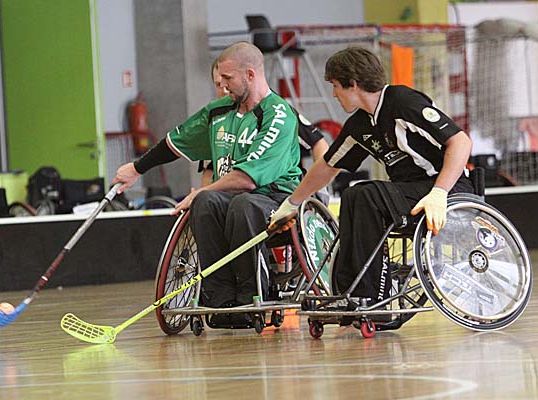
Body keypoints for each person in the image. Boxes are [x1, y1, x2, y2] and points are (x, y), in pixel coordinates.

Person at [270, 46, 473, 304]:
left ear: (353, 84)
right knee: (353, 195)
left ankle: (373, 296)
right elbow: (327, 166)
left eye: (335, 86)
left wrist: (439, 192)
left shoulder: (403, 102)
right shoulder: (360, 124)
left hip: (447, 188)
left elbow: (461, 142)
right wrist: (292, 203)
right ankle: (348, 293)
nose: (333, 94)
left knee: (367, 195)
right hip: (409, 193)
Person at [114, 42, 303, 310]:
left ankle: (252, 294)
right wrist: (137, 168)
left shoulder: (278, 115)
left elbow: (247, 179)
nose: (222, 86)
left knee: (241, 204)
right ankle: (219, 298)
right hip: (230, 198)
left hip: (274, 199)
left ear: (250, 74)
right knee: (205, 203)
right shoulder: (218, 111)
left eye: (228, 78)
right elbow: (175, 142)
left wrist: (203, 190)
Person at [201, 58, 330, 200]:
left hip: (271, 196)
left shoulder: (276, 111)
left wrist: (319, 188)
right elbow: (209, 169)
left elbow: (319, 143)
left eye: (229, 81)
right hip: (229, 197)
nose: (225, 89)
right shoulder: (216, 118)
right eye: (218, 85)